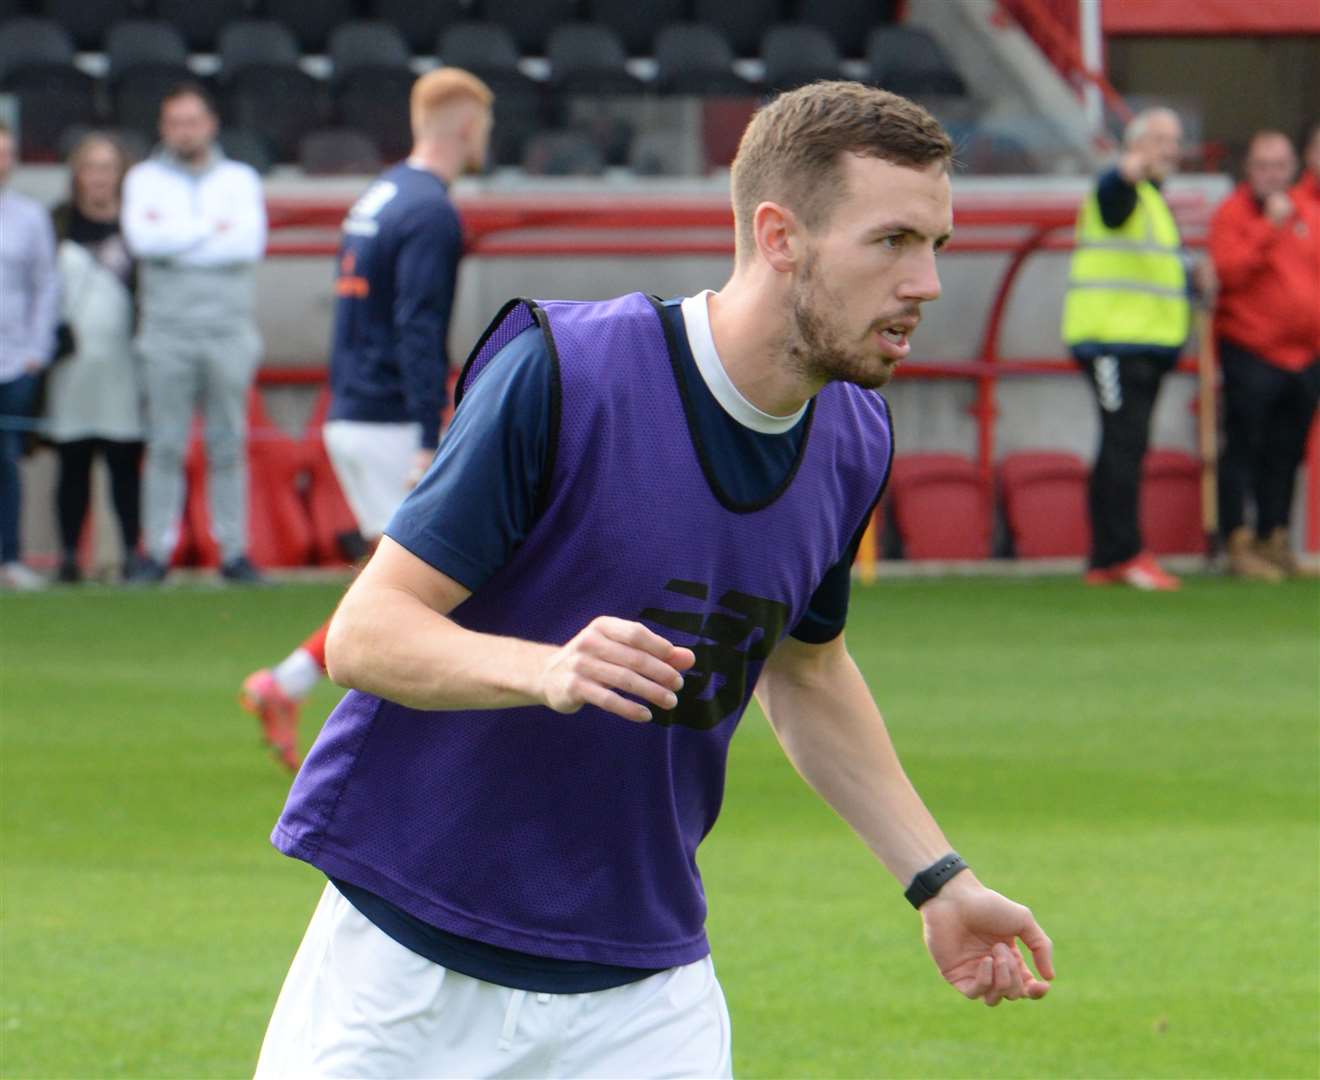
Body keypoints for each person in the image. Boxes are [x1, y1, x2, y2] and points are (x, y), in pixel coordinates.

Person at [255, 82, 1055, 1079]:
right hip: (413, 961)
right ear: (780, 236)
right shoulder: (567, 371)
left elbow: (807, 672)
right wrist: (544, 670)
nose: (927, 282)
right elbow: (368, 634)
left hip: (644, 991)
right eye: (893, 240)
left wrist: (938, 878)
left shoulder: (853, 437)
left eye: (938, 243)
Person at [239, 69, 494, 771]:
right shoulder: (433, 212)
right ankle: (386, 759)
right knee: (425, 597)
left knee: (402, 584)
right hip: (388, 421)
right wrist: (426, 433)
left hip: (348, 408)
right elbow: (418, 327)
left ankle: (285, 684)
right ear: (468, 126)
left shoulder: (377, 197)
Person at [121, 83, 267, 584]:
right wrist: (211, 231)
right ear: (164, 128)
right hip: (166, 331)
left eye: (192, 121)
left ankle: (234, 552)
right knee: (165, 446)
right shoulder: (142, 179)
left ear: (211, 124)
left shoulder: (240, 178)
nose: (184, 131)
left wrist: (177, 238)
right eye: (174, 122)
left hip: (229, 330)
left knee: (229, 444)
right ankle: (156, 553)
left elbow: (247, 244)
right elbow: (142, 240)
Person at [1062, 106, 1204, 591]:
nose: (1172, 149)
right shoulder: (1119, 187)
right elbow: (1112, 196)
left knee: (1126, 445)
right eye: (1161, 139)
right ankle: (1123, 554)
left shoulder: (1153, 200)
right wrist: (1129, 166)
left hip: (1144, 344)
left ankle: (1107, 558)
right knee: (1123, 445)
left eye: (1176, 140)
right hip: (1112, 342)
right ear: (1135, 144)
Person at [1209, 130, 1320, 580]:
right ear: (1248, 168)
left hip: (1305, 356)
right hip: (1251, 350)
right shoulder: (1233, 214)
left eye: (1280, 165)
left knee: (1287, 451)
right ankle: (1236, 539)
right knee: (1242, 448)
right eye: (1263, 166)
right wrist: (1267, 228)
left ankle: (1274, 536)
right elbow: (1227, 272)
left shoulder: (1307, 211)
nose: (1272, 175)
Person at [43, 132, 145, 584]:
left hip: (126, 358)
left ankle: (130, 554)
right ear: (76, 176)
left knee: (125, 463)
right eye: (90, 168)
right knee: (73, 463)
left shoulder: (140, 225)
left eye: (108, 168)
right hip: (72, 361)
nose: (99, 178)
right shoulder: (57, 223)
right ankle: (68, 555)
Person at [0, 120, 60, 592]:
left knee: (6, 462)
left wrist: (36, 352)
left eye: (6, 153)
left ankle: (10, 558)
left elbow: (45, 287)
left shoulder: (29, 216)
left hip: (12, 362)